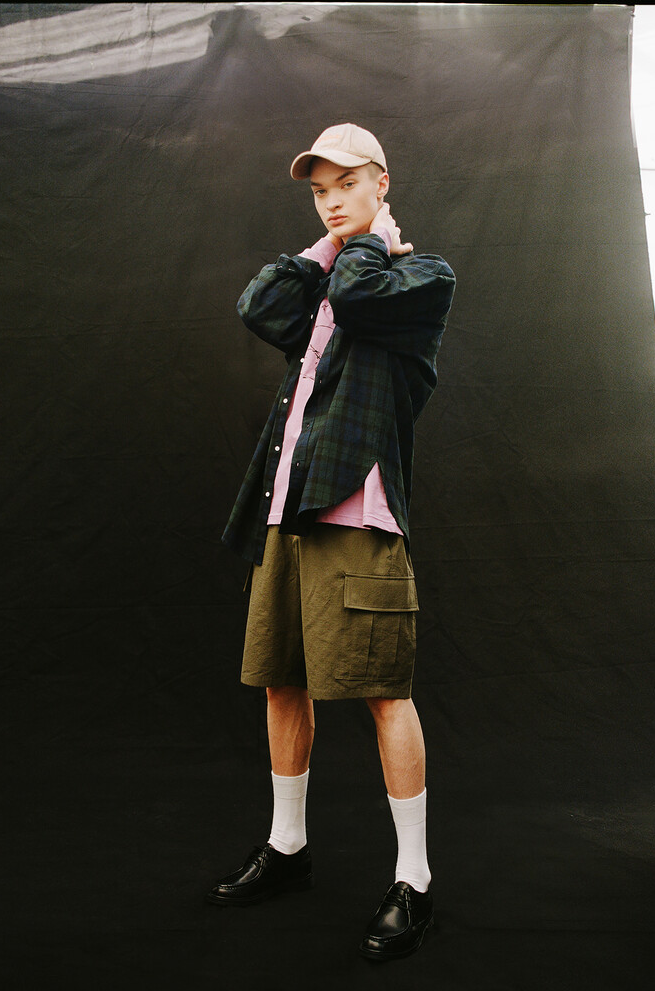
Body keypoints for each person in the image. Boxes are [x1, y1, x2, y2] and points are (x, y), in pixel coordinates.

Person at [211, 123, 455, 961]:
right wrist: (331, 244)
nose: (331, 200)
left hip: (359, 516)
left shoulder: (420, 278)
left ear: (383, 183)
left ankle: (414, 881)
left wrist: (368, 244)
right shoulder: (335, 275)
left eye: (347, 183)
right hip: (290, 511)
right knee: (281, 682)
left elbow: (357, 299)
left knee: (385, 693)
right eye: (319, 191)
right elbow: (259, 306)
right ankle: (288, 849)